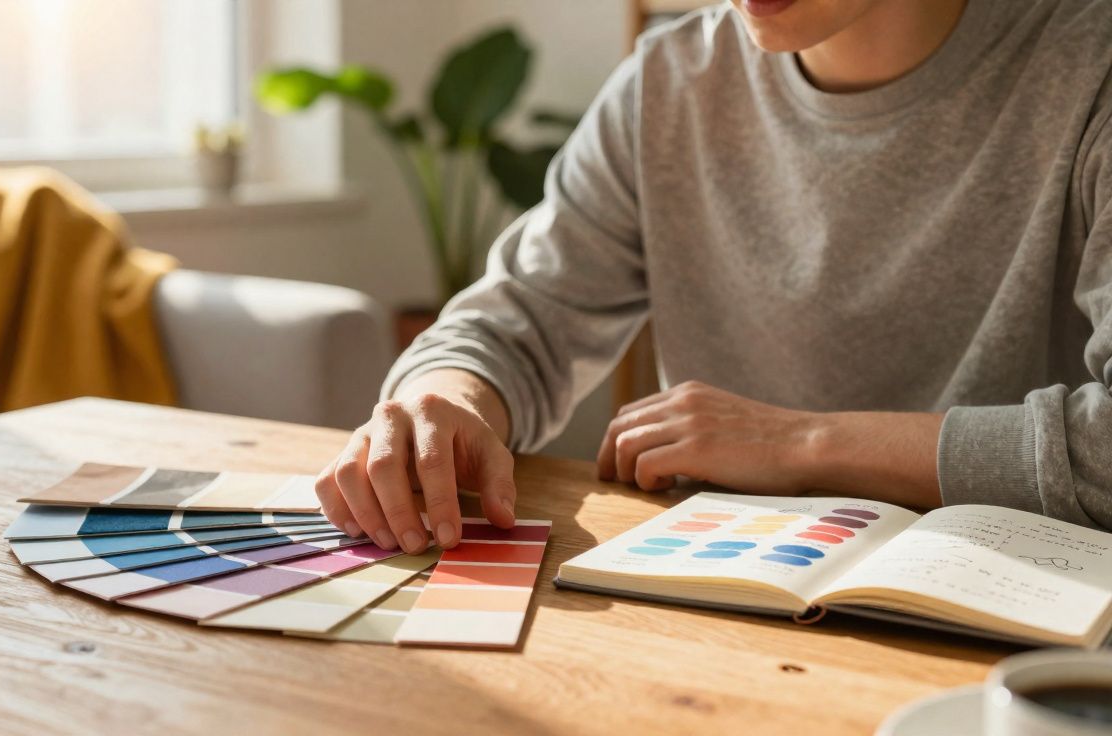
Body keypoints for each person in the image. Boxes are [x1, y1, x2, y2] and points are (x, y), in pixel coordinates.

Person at [314, 0, 1112, 554]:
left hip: (1027, 638)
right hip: (729, 593)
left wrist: (802, 442)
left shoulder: (1090, 69)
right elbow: (521, 316)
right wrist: (445, 398)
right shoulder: (670, 80)